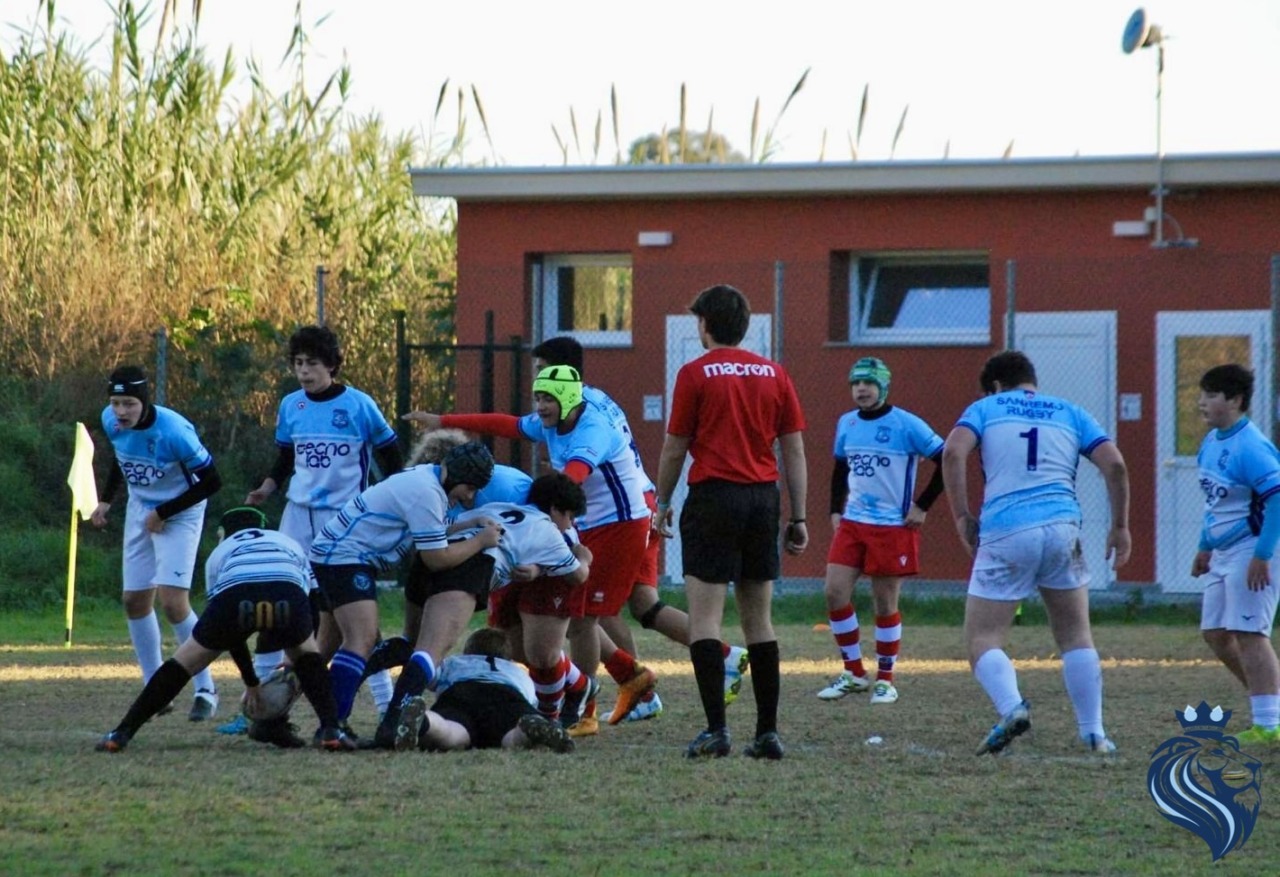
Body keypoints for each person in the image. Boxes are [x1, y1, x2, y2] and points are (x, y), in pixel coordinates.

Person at [405, 365, 656, 738]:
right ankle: (620, 675)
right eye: (536, 397)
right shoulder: (444, 487)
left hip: (584, 536)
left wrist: (541, 567)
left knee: (557, 640)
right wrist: (442, 418)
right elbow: (504, 424)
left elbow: (561, 500)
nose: (539, 406)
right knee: (515, 645)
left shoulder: (583, 438)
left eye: (546, 398)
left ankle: (571, 711)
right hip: (516, 560)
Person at [532, 337, 750, 723]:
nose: (536, 384)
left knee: (590, 611)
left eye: (540, 371)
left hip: (622, 517)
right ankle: (718, 657)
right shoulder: (591, 399)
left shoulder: (587, 420)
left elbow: (577, 473)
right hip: (640, 503)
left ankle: (617, 695)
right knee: (642, 606)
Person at [941, 349, 1130, 756]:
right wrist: (1119, 526)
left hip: (1008, 529)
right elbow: (1115, 466)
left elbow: (953, 451)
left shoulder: (986, 407)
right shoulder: (1070, 411)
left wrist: (961, 515)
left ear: (994, 385)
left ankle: (1012, 708)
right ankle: (1094, 734)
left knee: (982, 639)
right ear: (1032, 380)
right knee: (1076, 635)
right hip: (1064, 529)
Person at [653, 284, 809, 760]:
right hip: (763, 500)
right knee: (759, 621)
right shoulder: (774, 373)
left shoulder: (695, 373)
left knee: (705, 619)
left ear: (704, 325)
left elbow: (676, 445)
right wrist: (797, 515)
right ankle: (767, 734)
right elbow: (794, 449)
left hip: (714, 497)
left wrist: (662, 502)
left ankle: (716, 731)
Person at [230, 325, 404, 733]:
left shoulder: (360, 405)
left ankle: (384, 708)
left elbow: (391, 455)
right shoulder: (291, 406)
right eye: (298, 364)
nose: (304, 371)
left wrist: (390, 502)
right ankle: (259, 702)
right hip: (297, 515)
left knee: (353, 620)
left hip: (344, 523)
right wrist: (269, 487)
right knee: (278, 602)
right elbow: (286, 456)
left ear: (332, 365)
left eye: (312, 363)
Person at [96, 507, 355, 752]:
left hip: (236, 592)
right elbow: (313, 601)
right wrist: (301, 652)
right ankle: (331, 729)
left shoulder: (219, 554)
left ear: (223, 534)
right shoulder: (286, 542)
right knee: (308, 655)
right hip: (286, 588)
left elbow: (232, 635)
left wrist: (251, 682)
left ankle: (122, 733)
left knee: (184, 662)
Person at [310, 440, 499, 746]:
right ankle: (332, 727)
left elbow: (431, 527)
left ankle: (279, 715)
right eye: (471, 488)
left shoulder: (428, 478)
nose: (470, 496)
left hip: (340, 554)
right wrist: (481, 541)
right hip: (344, 556)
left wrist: (472, 523)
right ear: (459, 479)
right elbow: (435, 558)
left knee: (325, 649)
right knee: (362, 638)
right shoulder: (427, 492)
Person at [91, 365, 224, 721]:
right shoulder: (110, 420)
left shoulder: (174, 431)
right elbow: (124, 460)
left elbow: (212, 481)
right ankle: (155, 687)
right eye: (116, 403)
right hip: (141, 508)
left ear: (144, 401)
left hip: (182, 511)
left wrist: (165, 511)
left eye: (129, 404)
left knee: (172, 602)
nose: (121, 411)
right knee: (134, 600)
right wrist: (107, 500)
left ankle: (206, 688)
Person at [817, 357, 945, 706]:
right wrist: (834, 509)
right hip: (853, 523)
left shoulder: (906, 424)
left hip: (892, 526)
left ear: (883, 387)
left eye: (869, 383)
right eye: (856, 383)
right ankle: (855, 673)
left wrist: (921, 506)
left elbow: (947, 459)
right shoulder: (847, 423)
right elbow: (840, 469)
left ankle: (885, 680)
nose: (861, 389)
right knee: (834, 591)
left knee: (884, 601)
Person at [1189, 364, 1280, 745]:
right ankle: (1271, 703)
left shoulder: (1251, 446)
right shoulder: (1212, 441)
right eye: (1202, 395)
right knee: (1214, 633)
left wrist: (1263, 554)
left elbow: (1276, 498)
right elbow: (1216, 505)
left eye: (1210, 395)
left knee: (1249, 633)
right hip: (1223, 552)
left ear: (1236, 401)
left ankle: (1268, 724)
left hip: (1252, 551)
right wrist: (1204, 546)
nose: (1201, 403)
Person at [397, 627, 575, 753]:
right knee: (510, 738)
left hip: (461, 695)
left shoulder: (455, 662)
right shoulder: (517, 671)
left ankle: (427, 721)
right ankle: (528, 728)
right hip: (508, 697)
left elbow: (430, 676)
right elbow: (529, 698)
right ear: (508, 656)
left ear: (468, 651)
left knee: (452, 733)